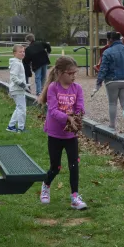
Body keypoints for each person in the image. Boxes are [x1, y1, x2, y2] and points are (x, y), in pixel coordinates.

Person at [37, 56, 88, 210]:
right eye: (70, 73)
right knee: (55, 166)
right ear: (60, 73)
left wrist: (77, 117)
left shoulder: (77, 88)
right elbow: (52, 111)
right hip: (55, 134)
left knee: (74, 165)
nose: (73, 76)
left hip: (71, 135)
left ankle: (74, 196)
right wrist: (67, 118)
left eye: (75, 73)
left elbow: (80, 107)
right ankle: (46, 185)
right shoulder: (53, 87)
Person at [95, 31, 124, 131]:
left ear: (110, 40)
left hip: (112, 80)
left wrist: (99, 82)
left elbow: (103, 69)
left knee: (112, 103)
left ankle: (112, 125)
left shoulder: (107, 52)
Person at [6, 44, 29, 133]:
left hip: (18, 89)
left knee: (19, 108)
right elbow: (14, 77)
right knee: (22, 109)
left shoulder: (18, 62)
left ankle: (11, 126)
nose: (22, 53)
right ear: (14, 53)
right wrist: (22, 85)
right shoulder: (16, 63)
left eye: (23, 51)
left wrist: (25, 84)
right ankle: (21, 128)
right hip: (17, 89)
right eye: (20, 52)